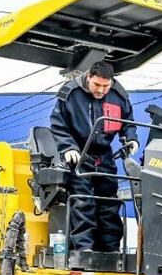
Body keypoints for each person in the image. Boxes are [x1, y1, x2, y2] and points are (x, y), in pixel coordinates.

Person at [49, 61, 139, 253]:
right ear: (89, 77)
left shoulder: (119, 95)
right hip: (78, 155)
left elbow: (128, 122)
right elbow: (58, 124)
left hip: (104, 155)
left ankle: (111, 250)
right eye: (97, 85)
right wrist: (68, 148)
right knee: (83, 201)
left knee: (109, 202)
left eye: (105, 86)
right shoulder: (70, 93)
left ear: (111, 82)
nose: (101, 90)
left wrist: (131, 138)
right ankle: (84, 249)